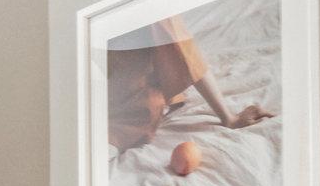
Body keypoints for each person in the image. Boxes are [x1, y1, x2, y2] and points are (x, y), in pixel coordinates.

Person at [107, 13, 271, 152]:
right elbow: (186, 56)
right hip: (123, 106)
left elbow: (186, 56)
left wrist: (229, 118)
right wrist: (229, 118)